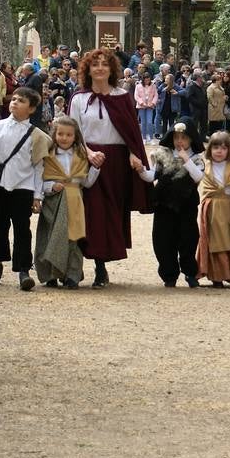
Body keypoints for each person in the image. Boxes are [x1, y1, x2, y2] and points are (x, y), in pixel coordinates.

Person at [67, 49, 152, 288]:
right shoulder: (79, 99)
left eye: (105, 64)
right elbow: (73, 132)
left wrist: (135, 154)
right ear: (88, 69)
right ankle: (94, 266)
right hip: (89, 159)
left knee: (112, 212)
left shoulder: (122, 96)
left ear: (111, 69)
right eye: (95, 65)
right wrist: (88, 153)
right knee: (92, 213)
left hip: (116, 163)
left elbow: (131, 131)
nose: (100, 68)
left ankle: (101, 264)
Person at [0, 88, 48, 291]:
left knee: (22, 228)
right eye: (15, 99)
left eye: (22, 101)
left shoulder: (36, 135)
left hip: (23, 187)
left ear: (32, 108)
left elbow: (38, 167)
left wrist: (37, 195)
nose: (15, 102)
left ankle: (23, 269)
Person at [133, 121, 204, 288]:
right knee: (163, 240)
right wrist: (141, 170)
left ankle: (190, 273)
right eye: (176, 137)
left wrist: (186, 159)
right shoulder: (162, 155)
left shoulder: (196, 159)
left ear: (191, 139)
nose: (180, 141)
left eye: (184, 138)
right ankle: (169, 274)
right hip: (164, 205)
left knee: (188, 239)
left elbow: (197, 177)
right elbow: (152, 176)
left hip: (186, 206)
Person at [35, 115, 99, 288]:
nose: (64, 138)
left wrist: (96, 168)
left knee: (73, 238)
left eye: (69, 135)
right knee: (49, 236)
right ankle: (50, 275)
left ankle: (72, 275)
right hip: (53, 203)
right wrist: (50, 187)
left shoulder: (81, 155)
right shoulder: (47, 155)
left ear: (75, 136)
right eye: (60, 134)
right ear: (54, 134)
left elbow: (86, 182)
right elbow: (40, 179)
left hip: (74, 201)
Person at [196, 131, 230, 288]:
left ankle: (226, 273)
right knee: (213, 241)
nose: (219, 151)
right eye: (216, 147)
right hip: (211, 208)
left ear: (229, 151)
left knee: (227, 240)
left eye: (223, 148)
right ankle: (215, 275)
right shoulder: (206, 167)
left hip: (228, 209)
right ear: (210, 149)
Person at [134, 74, 159, 141]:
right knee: (143, 123)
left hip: (150, 106)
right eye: (145, 80)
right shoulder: (138, 86)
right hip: (141, 106)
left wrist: (153, 103)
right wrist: (142, 103)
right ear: (143, 80)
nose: (147, 81)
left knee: (149, 122)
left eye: (148, 80)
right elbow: (136, 96)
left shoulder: (153, 85)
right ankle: (144, 138)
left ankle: (151, 138)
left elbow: (156, 95)